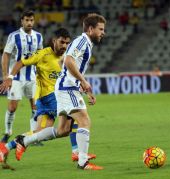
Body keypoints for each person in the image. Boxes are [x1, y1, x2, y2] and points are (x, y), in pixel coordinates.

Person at [0, 13, 106, 170]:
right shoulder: (75, 44)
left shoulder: (76, 47)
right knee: (83, 120)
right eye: (101, 29)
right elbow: (23, 61)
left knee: (62, 130)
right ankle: (81, 159)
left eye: (66, 43)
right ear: (91, 29)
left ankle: (18, 143)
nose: (103, 32)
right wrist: (9, 76)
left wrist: (81, 84)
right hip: (52, 95)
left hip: (61, 90)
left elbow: (68, 63)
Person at [1, 10, 43, 143]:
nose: (29, 23)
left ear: (34, 21)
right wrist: (6, 76)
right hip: (16, 78)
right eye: (27, 20)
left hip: (32, 77)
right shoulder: (14, 36)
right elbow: (6, 55)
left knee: (35, 106)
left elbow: (40, 56)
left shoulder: (39, 36)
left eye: (31, 20)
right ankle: (7, 132)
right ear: (22, 21)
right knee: (13, 107)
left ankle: (33, 136)